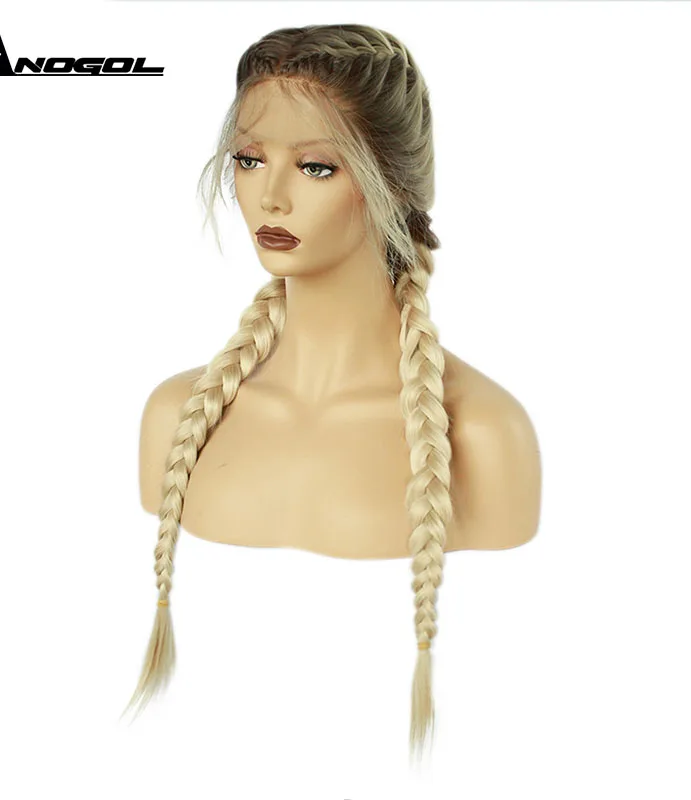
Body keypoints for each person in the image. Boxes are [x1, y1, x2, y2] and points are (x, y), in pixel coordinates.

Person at [122, 23, 541, 762]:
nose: (270, 196)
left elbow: (510, 708)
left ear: (393, 185)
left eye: (316, 168)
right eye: (249, 160)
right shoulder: (176, 416)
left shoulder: (482, 435)